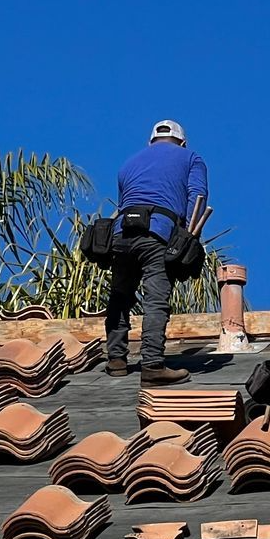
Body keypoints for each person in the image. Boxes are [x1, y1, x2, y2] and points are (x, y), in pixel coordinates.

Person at [105, 120, 208, 384]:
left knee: (120, 296)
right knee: (156, 299)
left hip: (121, 233)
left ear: (151, 142)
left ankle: (116, 360)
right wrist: (187, 239)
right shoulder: (191, 157)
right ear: (182, 142)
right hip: (157, 233)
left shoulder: (129, 163)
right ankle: (152, 365)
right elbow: (197, 198)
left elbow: (123, 202)